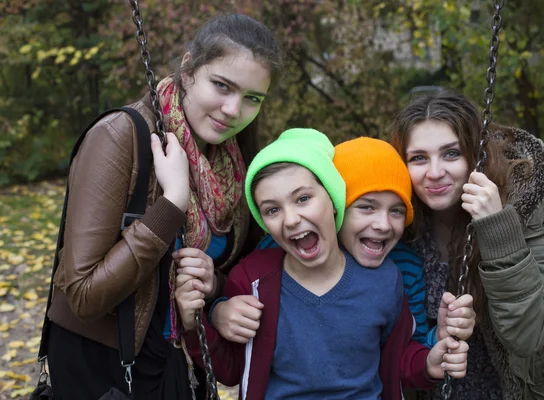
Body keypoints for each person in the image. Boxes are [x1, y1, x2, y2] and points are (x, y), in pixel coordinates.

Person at [45, 13, 283, 400]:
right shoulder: (121, 136)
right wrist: (172, 204)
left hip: (182, 360)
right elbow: (83, 295)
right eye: (222, 85)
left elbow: (234, 271)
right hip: (106, 368)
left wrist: (216, 289)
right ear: (188, 68)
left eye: (252, 98)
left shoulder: (234, 161)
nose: (233, 110)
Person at [177, 129, 469, 399]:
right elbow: (229, 370)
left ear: (333, 199)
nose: (291, 219)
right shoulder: (253, 279)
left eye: (303, 199)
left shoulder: (386, 280)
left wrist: (430, 363)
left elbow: (397, 358)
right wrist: (197, 322)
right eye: (272, 210)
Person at [391, 88, 544, 399]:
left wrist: (498, 229)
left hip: (527, 387)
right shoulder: (394, 222)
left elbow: (529, 335)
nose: (435, 173)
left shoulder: (523, 203)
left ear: (476, 155)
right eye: (419, 158)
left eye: (451, 153)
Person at [207, 137, 475, 350]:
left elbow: (408, 347)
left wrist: (438, 337)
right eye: (367, 207)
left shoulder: (404, 267)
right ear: (337, 207)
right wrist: (218, 311)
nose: (382, 224)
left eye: (396, 210)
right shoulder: (277, 255)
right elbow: (239, 297)